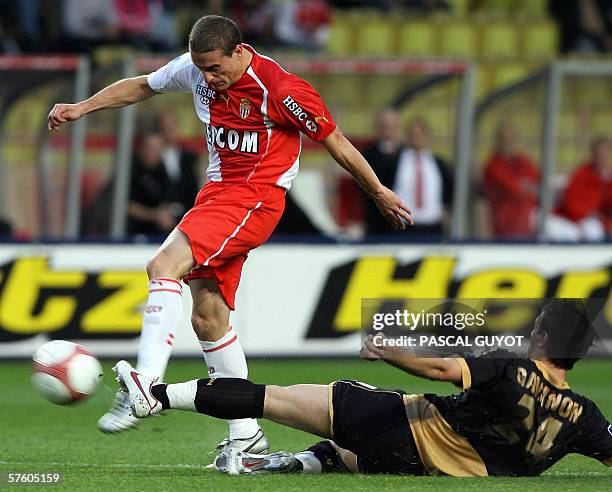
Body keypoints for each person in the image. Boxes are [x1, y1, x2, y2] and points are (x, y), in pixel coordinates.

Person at [47, 15, 412, 453]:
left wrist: (377, 192)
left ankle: (145, 383)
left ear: (239, 52)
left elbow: (335, 141)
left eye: (215, 68)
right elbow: (144, 85)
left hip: (254, 197)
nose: (208, 77)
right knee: (208, 316)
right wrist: (82, 107)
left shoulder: (280, 90)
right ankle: (247, 436)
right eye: (201, 68)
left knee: (163, 265)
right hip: (217, 196)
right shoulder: (197, 68)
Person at [115, 299, 612, 476]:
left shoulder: (511, 367)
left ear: (543, 336)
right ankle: (295, 463)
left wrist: (387, 347)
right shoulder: (583, 416)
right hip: (433, 469)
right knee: (346, 452)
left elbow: (440, 370)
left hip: (408, 428)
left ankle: (153, 397)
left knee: (274, 398)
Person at [392, 118, 453, 235]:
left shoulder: (438, 163)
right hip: (403, 227)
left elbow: (449, 190)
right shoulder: (395, 162)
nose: (417, 139)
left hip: (433, 227)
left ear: (427, 137)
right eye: (413, 135)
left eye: (420, 135)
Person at [482, 122, 540, 239]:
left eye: (511, 137)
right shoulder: (493, 165)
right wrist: (525, 186)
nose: (507, 142)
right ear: (497, 140)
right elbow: (515, 189)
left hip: (527, 220)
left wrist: (525, 186)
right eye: (504, 139)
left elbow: (537, 181)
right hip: (505, 225)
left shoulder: (522, 161)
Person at [548, 136, 612, 242]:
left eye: (604, 154)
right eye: (598, 154)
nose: (601, 157)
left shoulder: (608, 177)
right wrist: (589, 213)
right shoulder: (581, 174)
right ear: (593, 154)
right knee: (593, 231)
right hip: (576, 221)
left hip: (599, 221)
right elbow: (571, 204)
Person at [127, 131, 179, 235]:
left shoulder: (164, 171)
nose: (151, 152)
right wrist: (155, 216)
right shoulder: (130, 170)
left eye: (156, 148)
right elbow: (124, 206)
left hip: (160, 234)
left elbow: (169, 199)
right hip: (132, 233)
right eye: (148, 147)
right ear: (141, 149)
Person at [362, 108, 403, 235]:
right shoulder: (367, 155)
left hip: (402, 216)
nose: (387, 130)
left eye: (391, 126)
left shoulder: (406, 154)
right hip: (375, 216)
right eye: (384, 126)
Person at [153, 112, 200, 218]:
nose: (168, 132)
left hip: (186, 214)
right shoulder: (152, 155)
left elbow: (193, 185)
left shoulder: (189, 157)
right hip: (158, 218)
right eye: (164, 128)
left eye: (171, 128)